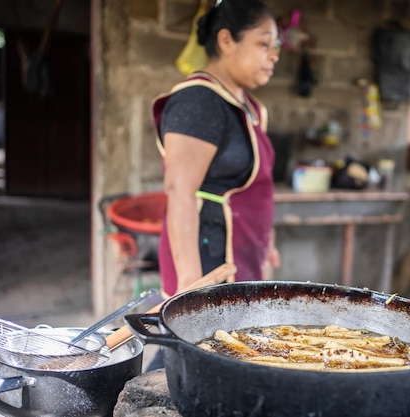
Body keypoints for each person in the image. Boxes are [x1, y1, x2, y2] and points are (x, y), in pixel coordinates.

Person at [147, 0, 281, 370]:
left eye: (277, 47)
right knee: (191, 346)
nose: (274, 56)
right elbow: (180, 191)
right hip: (205, 246)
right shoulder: (198, 102)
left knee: (230, 349)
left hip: (241, 245)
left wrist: (266, 243)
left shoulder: (249, 106)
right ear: (226, 41)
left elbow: (254, 186)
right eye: (263, 44)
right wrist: (189, 278)